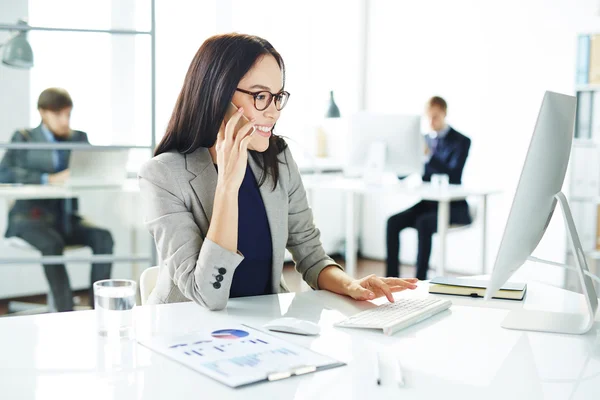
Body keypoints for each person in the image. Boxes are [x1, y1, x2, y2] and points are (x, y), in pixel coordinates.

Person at [138, 33, 418, 310]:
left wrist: (350, 284)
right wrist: (227, 185)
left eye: (277, 97)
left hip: (265, 328)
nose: (274, 112)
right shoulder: (162, 176)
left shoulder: (278, 158)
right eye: (260, 96)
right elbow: (207, 296)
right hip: (184, 332)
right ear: (218, 96)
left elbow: (311, 256)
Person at [0, 88, 114, 312]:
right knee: (52, 243)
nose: (65, 120)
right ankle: (64, 312)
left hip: (65, 218)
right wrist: (48, 178)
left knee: (103, 238)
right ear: (43, 113)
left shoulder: (78, 138)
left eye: (68, 115)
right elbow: (4, 173)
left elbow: (95, 169)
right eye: (59, 114)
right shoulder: (24, 137)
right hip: (29, 220)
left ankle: (98, 309)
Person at [386, 96, 471, 280]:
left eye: (436, 117)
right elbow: (403, 173)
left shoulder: (461, 141)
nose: (432, 122)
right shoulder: (424, 140)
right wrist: (397, 155)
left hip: (454, 206)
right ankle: (391, 279)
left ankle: (419, 281)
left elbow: (454, 174)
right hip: (428, 204)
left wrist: (428, 155)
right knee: (393, 222)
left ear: (444, 114)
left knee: (423, 223)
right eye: (429, 117)